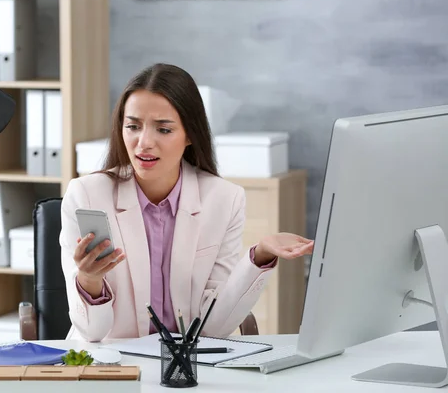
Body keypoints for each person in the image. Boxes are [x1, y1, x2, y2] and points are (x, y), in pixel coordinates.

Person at [60, 63, 314, 342]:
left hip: (185, 368)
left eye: (163, 130)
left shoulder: (224, 199)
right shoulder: (86, 195)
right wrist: (89, 280)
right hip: (111, 364)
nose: (144, 142)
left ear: (190, 134)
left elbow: (214, 327)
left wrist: (261, 256)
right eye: (132, 126)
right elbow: (92, 333)